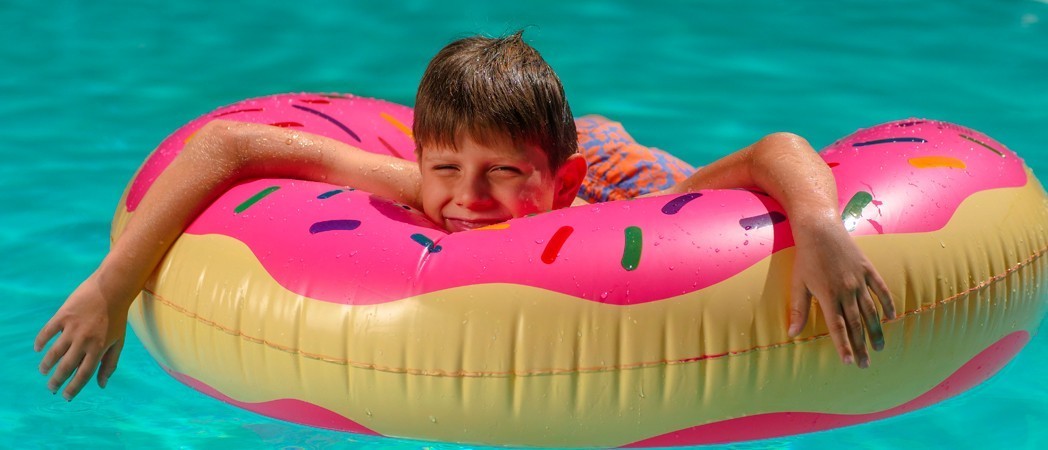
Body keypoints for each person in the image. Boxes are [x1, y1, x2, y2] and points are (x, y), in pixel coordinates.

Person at [36, 31, 895, 401]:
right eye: (447, 169)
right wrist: (112, 286)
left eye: (501, 175)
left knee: (628, 154)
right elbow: (228, 145)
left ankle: (584, 141)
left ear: (557, 181)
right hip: (556, 159)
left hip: (617, 167)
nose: (470, 200)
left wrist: (819, 227)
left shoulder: (632, 207)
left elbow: (773, 152)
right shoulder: (430, 189)